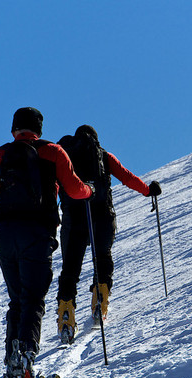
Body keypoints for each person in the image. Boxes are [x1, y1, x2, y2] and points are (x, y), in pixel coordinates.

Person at [0, 107, 93, 378]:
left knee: (17, 300)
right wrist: (89, 191)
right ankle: (25, 356)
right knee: (34, 299)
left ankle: (13, 365)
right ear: (39, 128)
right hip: (37, 235)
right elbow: (74, 190)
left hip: (6, 237)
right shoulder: (53, 152)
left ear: (14, 130)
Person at [56, 124, 161, 344]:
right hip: (101, 216)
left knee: (70, 269)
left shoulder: (67, 158)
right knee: (102, 257)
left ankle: (66, 314)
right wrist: (148, 191)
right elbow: (128, 177)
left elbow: (53, 187)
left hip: (73, 220)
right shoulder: (102, 155)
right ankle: (99, 301)